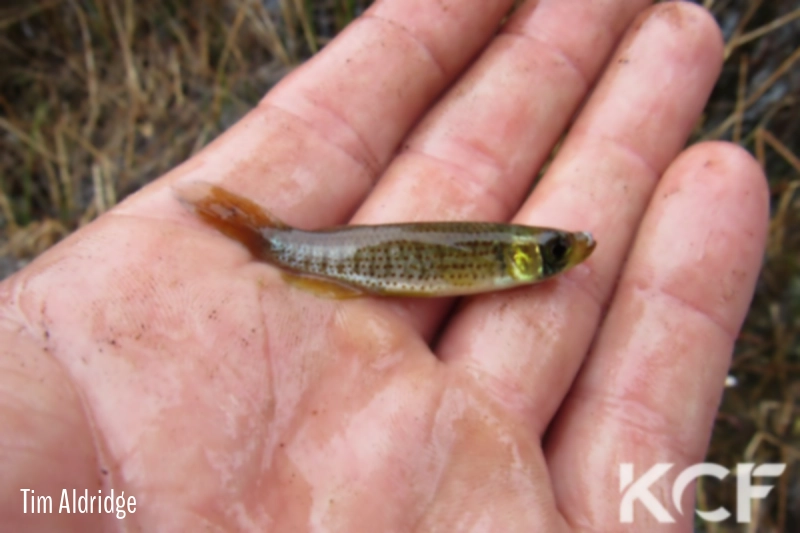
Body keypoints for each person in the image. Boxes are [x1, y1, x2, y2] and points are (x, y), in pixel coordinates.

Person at [1, 0, 768, 531]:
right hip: (322, 253)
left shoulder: (512, 257)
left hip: (329, 253)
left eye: (560, 248)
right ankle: (261, 237)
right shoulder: (507, 255)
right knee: (284, 243)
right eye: (560, 250)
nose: (573, 255)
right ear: (525, 258)